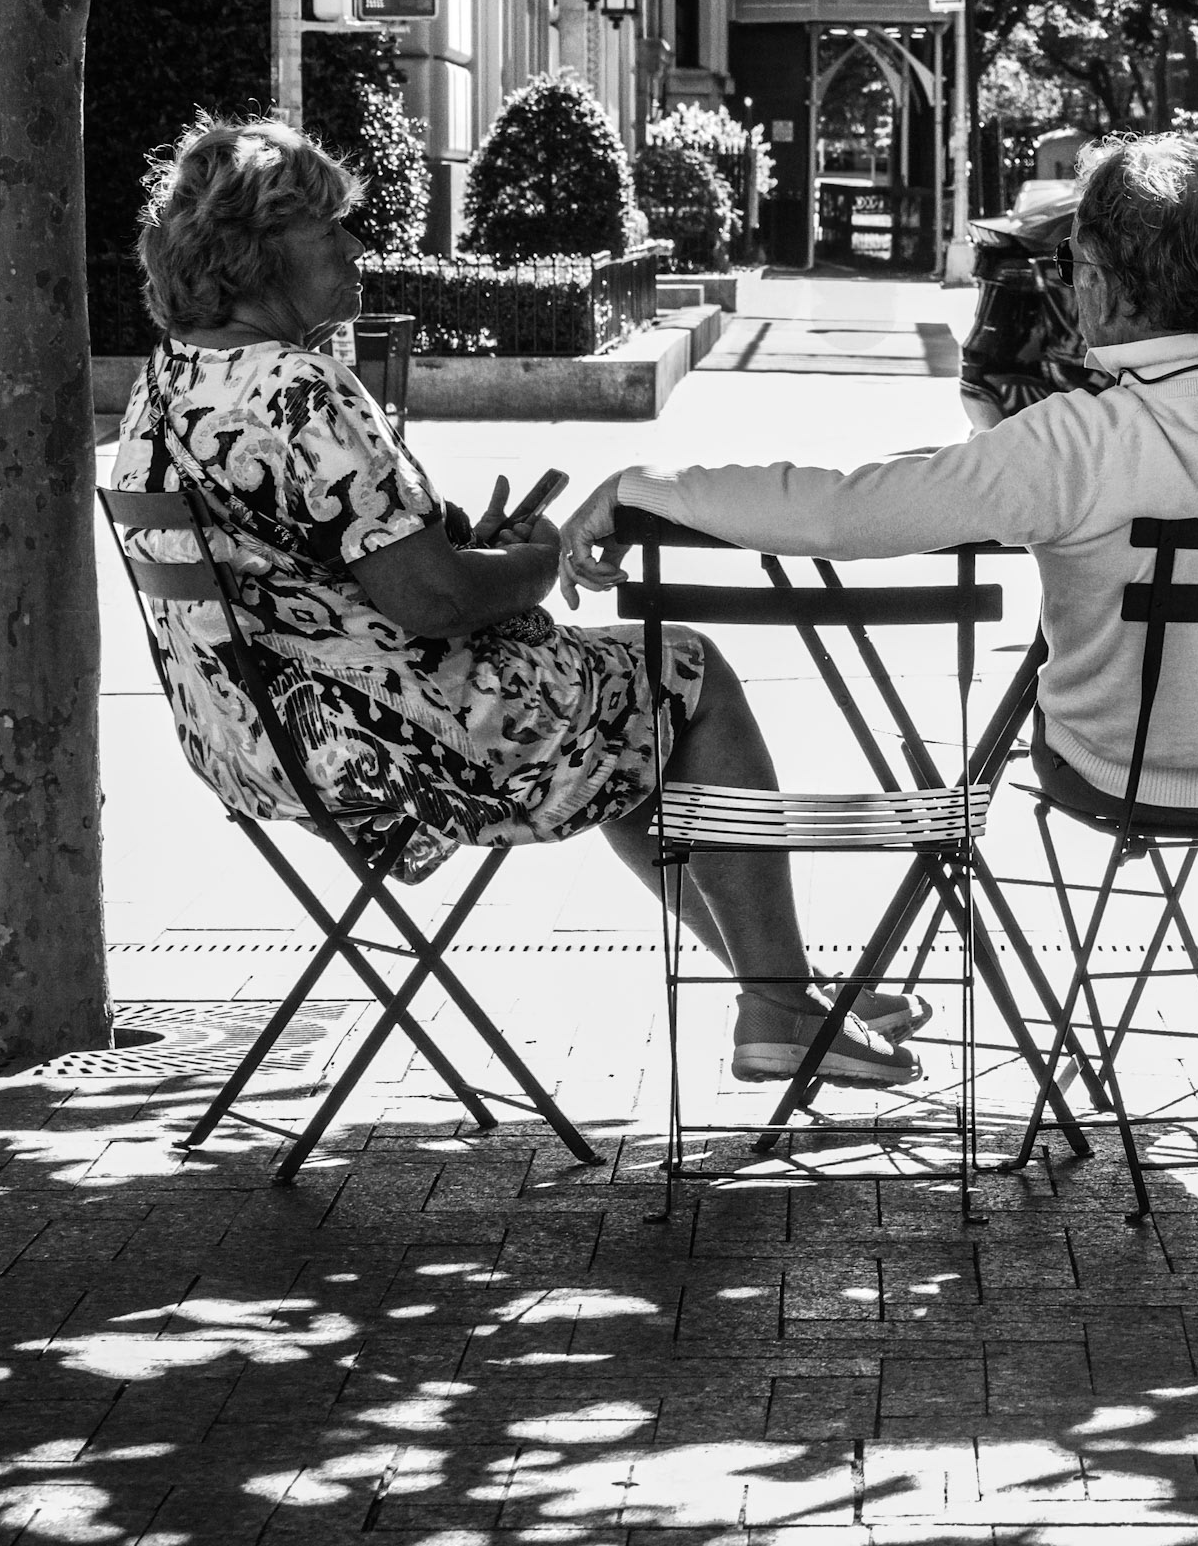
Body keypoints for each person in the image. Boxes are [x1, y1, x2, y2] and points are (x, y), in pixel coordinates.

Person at [112, 115, 918, 1086]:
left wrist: (462, 551)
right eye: (330, 229)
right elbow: (433, 599)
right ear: (256, 252)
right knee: (684, 671)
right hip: (395, 744)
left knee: (624, 709)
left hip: (255, 746)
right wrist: (534, 563)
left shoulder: (165, 386)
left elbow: (327, 571)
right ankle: (780, 1001)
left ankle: (778, 988)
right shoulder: (298, 387)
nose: (356, 247)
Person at [560, 135, 1198, 827]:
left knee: (1035, 687)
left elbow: (843, 512)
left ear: (1102, 282)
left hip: (1118, 777)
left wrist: (655, 482)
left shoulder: (1072, 441)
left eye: (1075, 268)